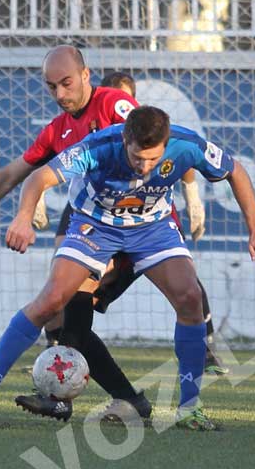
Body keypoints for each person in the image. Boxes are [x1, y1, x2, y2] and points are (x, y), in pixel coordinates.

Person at [0, 105, 255, 430]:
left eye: (153, 159)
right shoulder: (99, 146)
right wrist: (23, 217)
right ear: (126, 139)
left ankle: (189, 409)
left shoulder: (186, 144)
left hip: (152, 228)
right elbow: (39, 177)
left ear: (166, 144)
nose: (144, 166)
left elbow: (235, 170)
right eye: (138, 157)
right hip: (95, 225)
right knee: (52, 301)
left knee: (190, 297)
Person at [0, 45, 153, 421]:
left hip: (141, 230)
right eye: (51, 86)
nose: (60, 94)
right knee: (70, 314)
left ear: (85, 75)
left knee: (180, 297)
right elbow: (8, 177)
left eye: (66, 83)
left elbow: (151, 143)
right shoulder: (57, 131)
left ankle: (182, 392)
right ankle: (122, 400)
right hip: (99, 231)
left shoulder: (115, 104)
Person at [93, 71, 229, 377]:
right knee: (87, 285)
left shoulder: (147, 131)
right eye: (117, 98)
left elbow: (184, 156)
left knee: (186, 282)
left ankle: (205, 350)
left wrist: (193, 198)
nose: (123, 105)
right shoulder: (98, 136)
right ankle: (63, 345)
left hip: (153, 218)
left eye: (128, 98)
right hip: (105, 218)